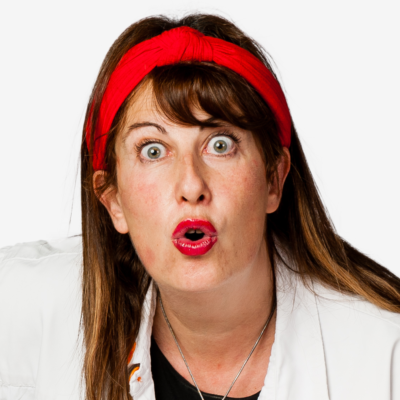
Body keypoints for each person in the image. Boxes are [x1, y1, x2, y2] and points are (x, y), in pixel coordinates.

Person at [0, 13, 399, 400]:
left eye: (220, 145)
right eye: (153, 150)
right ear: (114, 200)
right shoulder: (30, 307)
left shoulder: (386, 358)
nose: (191, 185)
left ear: (273, 180)